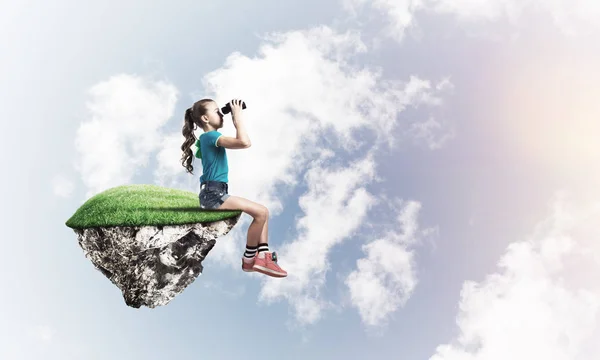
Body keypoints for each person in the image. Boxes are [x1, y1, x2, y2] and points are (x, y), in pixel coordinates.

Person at [180, 98, 287, 278]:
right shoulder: (211, 137)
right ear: (205, 119)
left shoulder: (206, 139)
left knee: (264, 212)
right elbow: (244, 142)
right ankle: (250, 259)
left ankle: (264, 256)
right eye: (217, 111)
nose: (221, 114)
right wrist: (237, 118)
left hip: (215, 191)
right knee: (260, 213)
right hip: (213, 194)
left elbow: (205, 150)